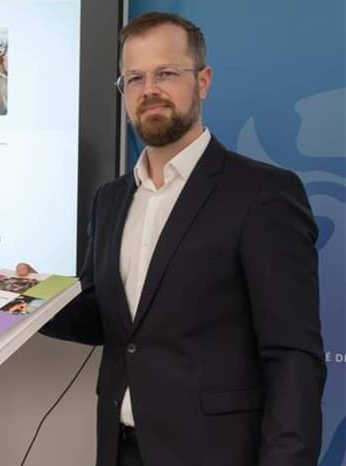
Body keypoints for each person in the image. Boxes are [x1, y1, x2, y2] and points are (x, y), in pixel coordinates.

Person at [20, 12, 325, 466]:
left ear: (203, 81)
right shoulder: (110, 200)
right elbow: (104, 318)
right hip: (120, 450)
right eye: (135, 78)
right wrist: (31, 299)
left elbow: (293, 358)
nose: (149, 90)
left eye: (165, 73)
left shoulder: (263, 194)